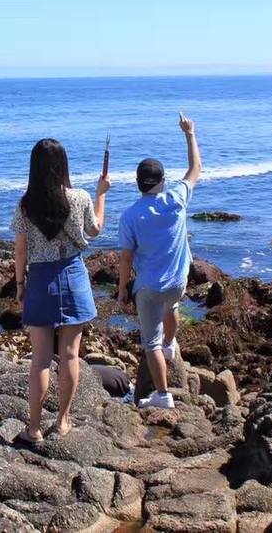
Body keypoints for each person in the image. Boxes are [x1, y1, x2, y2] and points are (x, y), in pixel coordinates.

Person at [12, 138, 110, 442]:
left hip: (40, 278)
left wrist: (19, 285)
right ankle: (63, 421)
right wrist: (101, 194)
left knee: (40, 359)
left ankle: (34, 428)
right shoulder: (79, 198)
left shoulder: (26, 204)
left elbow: (20, 250)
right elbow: (95, 230)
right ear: (63, 165)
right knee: (70, 355)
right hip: (73, 274)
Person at [117, 112, 202, 409]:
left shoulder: (129, 216)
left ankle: (163, 394)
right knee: (174, 306)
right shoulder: (177, 198)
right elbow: (195, 168)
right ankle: (171, 345)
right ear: (163, 182)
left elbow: (126, 258)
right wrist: (189, 133)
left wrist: (121, 291)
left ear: (138, 184)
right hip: (179, 281)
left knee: (149, 343)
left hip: (150, 288)